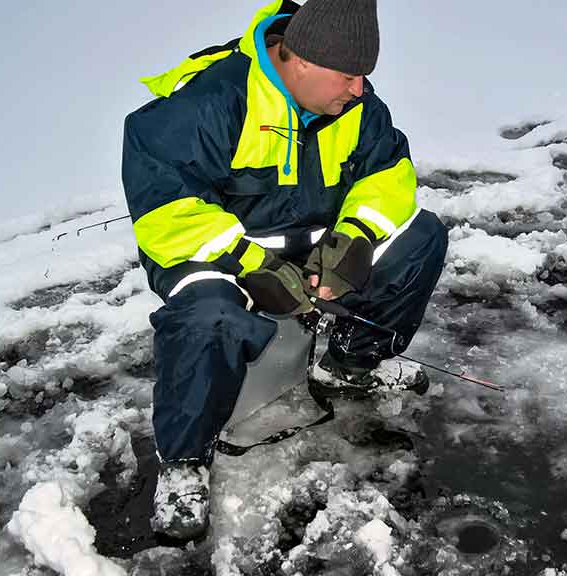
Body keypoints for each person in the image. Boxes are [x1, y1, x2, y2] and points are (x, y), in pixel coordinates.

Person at [121, 0, 448, 539]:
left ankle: (352, 363)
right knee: (208, 316)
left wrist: (355, 237)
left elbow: (388, 174)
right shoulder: (209, 104)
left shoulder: (357, 107)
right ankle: (183, 462)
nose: (359, 90)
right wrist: (251, 264)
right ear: (298, 62)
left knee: (421, 237)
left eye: (364, 76)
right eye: (348, 76)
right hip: (219, 256)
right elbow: (167, 212)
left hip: (312, 248)